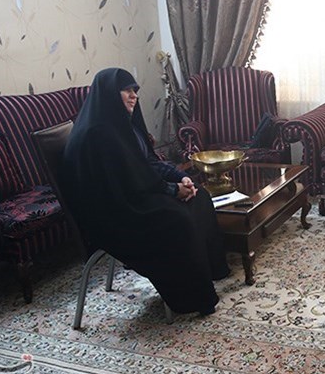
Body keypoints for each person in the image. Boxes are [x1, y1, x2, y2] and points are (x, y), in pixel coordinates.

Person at [59, 68, 229, 315]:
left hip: (133, 196)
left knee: (199, 195)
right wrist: (172, 191)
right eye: (126, 90)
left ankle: (210, 273)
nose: (134, 96)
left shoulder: (124, 127)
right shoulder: (97, 134)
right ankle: (193, 298)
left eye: (135, 90)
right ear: (108, 94)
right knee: (177, 219)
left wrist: (180, 178)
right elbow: (126, 180)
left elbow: (148, 163)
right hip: (114, 214)